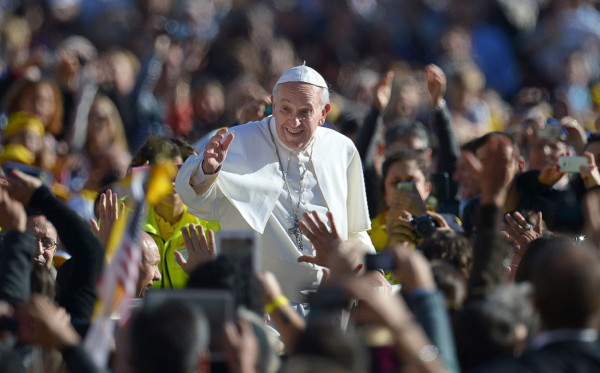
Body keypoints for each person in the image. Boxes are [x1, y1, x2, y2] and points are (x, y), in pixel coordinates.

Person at [175, 65, 375, 305]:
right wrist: (208, 169)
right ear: (274, 104)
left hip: (328, 304)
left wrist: (373, 271)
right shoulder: (237, 140)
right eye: (286, 109)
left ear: (324, 113)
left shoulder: (342, 150)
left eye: (305, 112)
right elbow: (190, 195)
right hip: (260, 308)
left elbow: (355, 231)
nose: (294, 121)